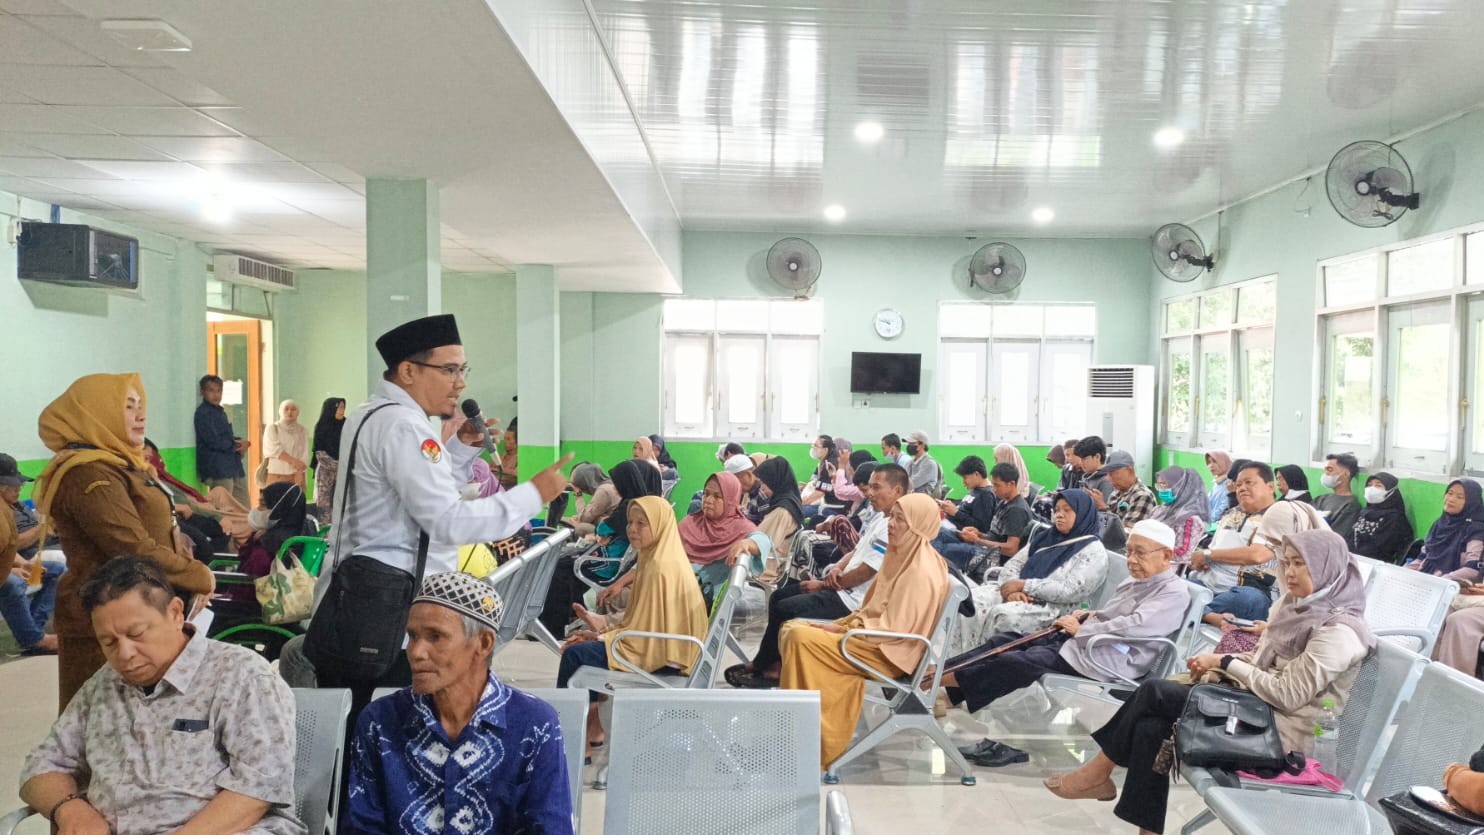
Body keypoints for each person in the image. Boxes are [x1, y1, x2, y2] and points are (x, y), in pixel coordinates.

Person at [304, 314, 570, 708]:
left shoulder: (370, 413)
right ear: (408, 371)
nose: (460, 383)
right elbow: (447, 522)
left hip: (357, 603)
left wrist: (458, 452)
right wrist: (533, 495)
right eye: (449, 370)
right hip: (389, 617)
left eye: (462, 370)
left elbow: (411, 494)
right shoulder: (404, 426)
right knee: (386, 731)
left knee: (359, 727)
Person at [1044, 529, 1373, 834]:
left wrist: (1226, 663)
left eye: (1300, 564)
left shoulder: (1339, 631)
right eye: (1287, 562)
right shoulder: (1296, 608)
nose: (1289, 572)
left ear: (1327, 567)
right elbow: (1259, 659)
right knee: (1150, 727)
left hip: (1281, 737)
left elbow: (1287, 695)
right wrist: (1220, 665)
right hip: (1253, 712)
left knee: (1155, 691)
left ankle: (1099, 771)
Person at [20, 557, 304, 835]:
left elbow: (259, 786)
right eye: (109, 642)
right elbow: (41, 765)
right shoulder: (105, 684)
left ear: (176, 613)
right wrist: (70, 810)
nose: (125, 654)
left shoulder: (241, 675)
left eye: (137, 634)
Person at [943, 519, 1192, 768]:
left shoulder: (1173, 592)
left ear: (1166, 555)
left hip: (1109, 658)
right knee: (1006, 640)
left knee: (1017, 662)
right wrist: (1087, 616)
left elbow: (1135, 626)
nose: (1132, 559)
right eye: (1129, 551)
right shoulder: (1136, 580)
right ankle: (941, 684)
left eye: (1140, 553)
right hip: (1088, 643)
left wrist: (1083, 630)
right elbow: (1112, 615)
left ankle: (935, 683)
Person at [33, 373, 215, 709]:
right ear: (96, 412)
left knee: (141, 720)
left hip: (139, 609)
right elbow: (132, 547)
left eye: (140, 406)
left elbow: (158, 531)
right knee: (100, 721)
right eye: (127, 407)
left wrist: (186, 571)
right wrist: (199, 575)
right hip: (105, 618)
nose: (140, 415)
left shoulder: (120, 465)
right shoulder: (89, 473)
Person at [347, 573, 571, 834]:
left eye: (436, 636)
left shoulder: (534, 725)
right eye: (413, 636)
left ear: (483, 644)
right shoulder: (380, 722)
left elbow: (550, 827)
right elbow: (360, 827)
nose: (416, 652)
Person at [780, 493, 949, 768]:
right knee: (792, 628)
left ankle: (815, 743)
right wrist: (843, 625)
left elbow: (894, 630)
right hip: (872, 638)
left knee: (799, 636)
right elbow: (872, 611)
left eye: (900, 520)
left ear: (918, 526)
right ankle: (797, 731)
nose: (891, 524)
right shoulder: (903, 555)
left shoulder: (920, 571)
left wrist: (842, 631)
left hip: (886, 652)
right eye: (892, 517)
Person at [726, 464, 909, 689]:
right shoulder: (881, 518)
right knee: (779, 597)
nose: (869, 493)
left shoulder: (894, 526)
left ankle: (766, 666)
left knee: (786, 608)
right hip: (841, 587)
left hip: (852, 601)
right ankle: (772, 663)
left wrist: (823, 585)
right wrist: (837, 567)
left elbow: (867, 571)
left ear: (897, 491)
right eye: (869, 487)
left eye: (876, 487)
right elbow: (856, 550)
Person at [558, 496, 708, 751]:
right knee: (585, 651)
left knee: (575, 655)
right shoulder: (660, 557)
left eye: (642, 523)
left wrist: (602, 637)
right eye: (630, 522)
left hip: (666, 657)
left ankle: (570, 740)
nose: (632, 529)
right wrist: (603, 631)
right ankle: (592, 730)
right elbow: (646, 622)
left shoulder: (660, 568)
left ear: (659, 525)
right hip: (670, 648)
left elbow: (645, 634)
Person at [956, 490, 1109, 653]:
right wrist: (1011, 591)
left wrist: (1024, 586)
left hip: (1053, 609)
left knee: (1003, 614)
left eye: (1067, 510)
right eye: (1057, 509)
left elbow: (1070, 590)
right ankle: (955, 657)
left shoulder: (1094, 551)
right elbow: (1014, 564)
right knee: (973, 601)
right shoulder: (1047, 537)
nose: (1059, 515)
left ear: (1083, 513)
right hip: (1018, 593)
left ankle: (974, 663)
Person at [1188, 462, 1323, 630]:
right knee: (1177, 585)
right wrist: (1203, 559)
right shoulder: (1231, 513)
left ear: (1270, 486)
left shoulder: (1277, 516)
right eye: (1238, 485)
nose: (1242, 488)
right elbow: (1213, 548)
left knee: (1248, 599)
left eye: (1249, 482)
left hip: (1243, 590)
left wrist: (1208, 555)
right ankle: (1208, 615)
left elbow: (1257, 555)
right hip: (1208, 584)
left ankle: (1195, 610)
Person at [538, 459, 661, 637]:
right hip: (611, 556)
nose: (614, 488)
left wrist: (603, 526)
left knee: (559, 568)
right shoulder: (637, 503)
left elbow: (602, 528)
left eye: (617, 484)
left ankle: (553, 626)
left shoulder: (628, 506)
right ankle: (567, 617)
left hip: (608, 562)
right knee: (564, 564)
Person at [1, 455, 62, 655]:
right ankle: (33, 640)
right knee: (11, 584)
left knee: (55, 570)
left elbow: (7, 548)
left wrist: (22, 565)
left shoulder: (7, 508)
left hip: (11, 564)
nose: (19, 488)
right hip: (8, 570)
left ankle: (34, 629)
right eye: (14, 485)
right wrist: (10, 570)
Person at [679, 471, 772, 601]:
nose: (708, 500)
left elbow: (764, 541)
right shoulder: (690, 522)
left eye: (717, 496)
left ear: (730, 500)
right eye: (706, 493)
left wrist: (746, 543)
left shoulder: (740, 528)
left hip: (706, 597)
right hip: (678, 586)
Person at [143, 438, 240, 556]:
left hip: (184, 513)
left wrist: (216, 516)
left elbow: (186, 503)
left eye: (151, 459)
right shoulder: (140, 480)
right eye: (146, 459)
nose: (151, 464)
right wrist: (176, 507)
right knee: (202, 543)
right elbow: (151, 506)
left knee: (222, 529)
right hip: (171, 518)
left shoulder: (158, 479)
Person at [749, 455, 806, 589]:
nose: (761, 488)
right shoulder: (790, 500)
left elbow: (758, 544)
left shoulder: (781, 511)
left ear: (776, 480)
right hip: (771, 563)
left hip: (765, 570)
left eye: (765, 483)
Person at [933, 456, 1000, 569]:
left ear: (976, 474)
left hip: (964, 537)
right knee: (930, 531)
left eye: (965, 477)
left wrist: (956, 513)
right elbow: (966, 510)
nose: (963, 481)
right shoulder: (975, 490)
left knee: (934, 538)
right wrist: (950, 507)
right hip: (954, 530)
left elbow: (981, 527)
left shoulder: (986, 495)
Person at [1406, 479, 1484, 576]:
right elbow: (1422, 557)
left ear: (1471, 502)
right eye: (1449, 493)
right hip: (1426, 577)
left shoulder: (1476, 530)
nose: (1451, 499)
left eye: (1460, 497)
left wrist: (1445, 580)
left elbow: (1473, 569)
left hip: (1453, 582)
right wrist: (1404, 573)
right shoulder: (1439, 523)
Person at [194, 373, 250, 505]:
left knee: (244, 505)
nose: (216, 395)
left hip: (233, 465)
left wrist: (243, 442)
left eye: (219, 391)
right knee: (223, 508)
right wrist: (236, 446)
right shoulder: (203, 413)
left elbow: (226, 437)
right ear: (202, 392)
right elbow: (213, 441)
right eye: (211, 391)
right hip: (218, 469)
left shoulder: (220, 412)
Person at [1349, 472, 1414, 564]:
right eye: (1369, 485)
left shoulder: (1395, 518)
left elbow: (1380, 549)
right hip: (1355, 560)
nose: (1371, 489)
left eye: (1378, 486)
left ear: (1391, 491)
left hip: (1377, 565)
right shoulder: (1365, 512)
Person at [1150, 465, 1211, 562]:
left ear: (1180, 486)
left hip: (1164, 564)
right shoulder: (1160, 510)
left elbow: (1181, 555)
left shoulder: (1189, 519)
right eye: (1159, 485)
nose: (1161, 489)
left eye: (1164, 484)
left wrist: (1149, 550)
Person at [1096, 450, 1158, 527]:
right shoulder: (1115, 494)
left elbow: (1129, 530)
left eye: (1114, 473)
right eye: (1107, 474)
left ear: (1130, 471)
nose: (1109, 478)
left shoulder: (1142, 495)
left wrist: (1103, 507)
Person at [310, 397, 346, 517]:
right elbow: (320, 453)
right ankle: (325, 528)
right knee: (325, 506)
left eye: (343, 407)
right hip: (325, 472)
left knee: (343, 504)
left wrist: (345, 466)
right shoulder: (322, 426)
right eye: (339, 407)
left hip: (344, 472)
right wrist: (339, 467)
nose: (342, 410)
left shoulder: (348, 425)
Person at [1314, 453, 1362, 540]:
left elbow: (1335, 537)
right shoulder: (1322, 499)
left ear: (1346, 474)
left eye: (1330, 469)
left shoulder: (1351, 505)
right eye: (1325, 470)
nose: (1325, 473)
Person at [263, 399, 309, 490]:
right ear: (280, 411)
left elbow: (305, 454)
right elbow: (275, 450)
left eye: (293, 409)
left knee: (297, 499)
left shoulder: (302, 430)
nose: (290, 412)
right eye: (286, 409)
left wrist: (299, 472)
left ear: (298, 412)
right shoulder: (272, 428)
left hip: (297, 476)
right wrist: (294, 462)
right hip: (277, 475)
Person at [568, 461, 619, 536]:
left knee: (580, 528)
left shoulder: (604, 490)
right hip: (613, 528)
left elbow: (583, 518)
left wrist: (578, 495)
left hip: (613, 533)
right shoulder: (610, 485)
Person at [904, 431, 943, 496]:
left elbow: (912, 483)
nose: (909, 446)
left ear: (922, 445)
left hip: (924, 498)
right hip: (912, 496)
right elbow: (903, 478)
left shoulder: (929, 464)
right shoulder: (909, 463)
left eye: (912, 443)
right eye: (908, 443)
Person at [1074, 436, 1113, 501]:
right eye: (1080, 459)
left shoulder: (1106, 481)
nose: (1081, 463)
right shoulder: (1087, 477)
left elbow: (1105, 506)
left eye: (1084, 459)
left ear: (1097, 457)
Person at [1205, 450, 1233, 522]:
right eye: (1209, 462)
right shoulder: (1218, 482)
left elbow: (1224, 508)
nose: (1211, 465)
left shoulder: (1230, 483)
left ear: (1224, 462)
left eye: (1214, 461)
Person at [497, 417, 519, 488]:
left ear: (516, 443)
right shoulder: (500, 457)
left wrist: (498, 469)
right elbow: (488, 470)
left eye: (508, 439)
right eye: (504, 438)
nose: (505, 442)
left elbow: (517, 473)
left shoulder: (520, 458)